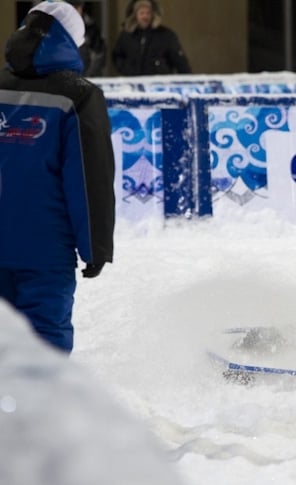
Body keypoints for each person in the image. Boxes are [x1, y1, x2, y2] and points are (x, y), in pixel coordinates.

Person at [0, 0, 115, 353]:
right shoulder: (79, 96)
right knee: (45, 341)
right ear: (70, 41)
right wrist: (95, 245)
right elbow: (87, 178)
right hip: (45, 251)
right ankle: (39, 408)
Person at [112, 0, 192, 76]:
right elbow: (117, 57)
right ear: (135, 15)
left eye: (148, 13)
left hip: (159, 84)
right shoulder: (126, 35)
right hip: (133, 84)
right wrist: (127, 69)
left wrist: (188, 80)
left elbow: (179, 60)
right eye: (142, 13)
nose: (145, 16)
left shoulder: (166, 35)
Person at [67, 0, 107, 77]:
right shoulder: (58, 27)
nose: (74, 11)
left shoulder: (92, 29)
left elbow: (99, 55)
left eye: (77, 8)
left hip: (88, 79)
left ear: (81, 8)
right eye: (71, 8)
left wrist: (86, 77)